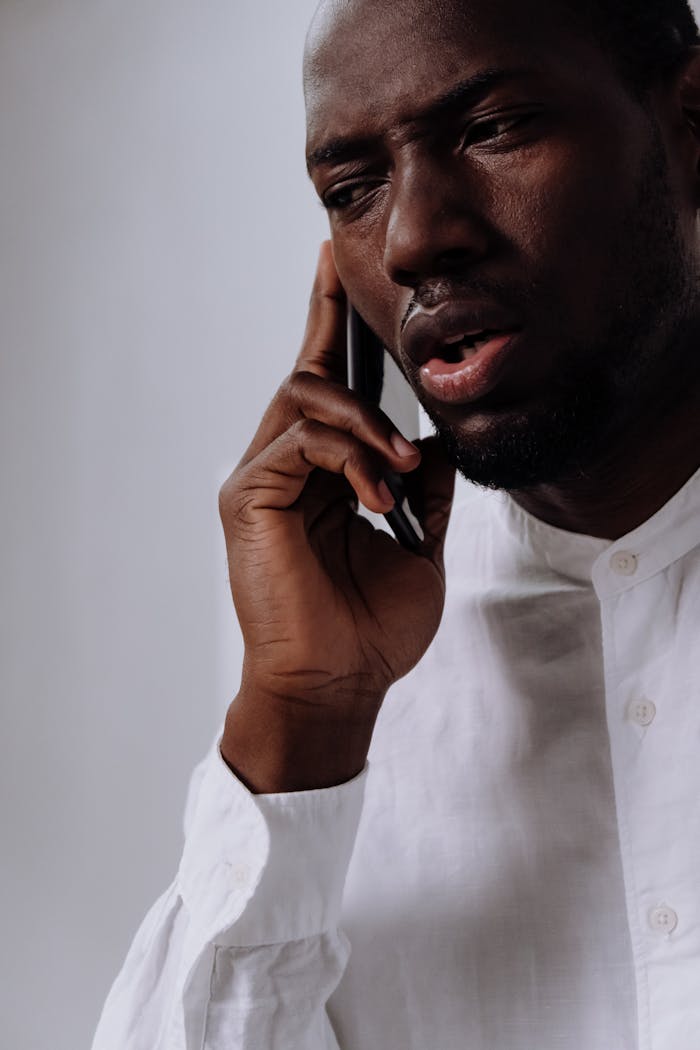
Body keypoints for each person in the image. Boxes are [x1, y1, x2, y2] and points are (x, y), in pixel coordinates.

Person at [92, 0, 700, 1047]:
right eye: (352, 190)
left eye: (494, 128)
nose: (415, 238)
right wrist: (303, 721)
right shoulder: (338, 639)